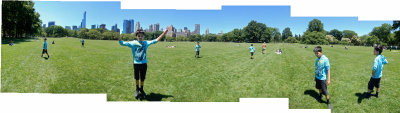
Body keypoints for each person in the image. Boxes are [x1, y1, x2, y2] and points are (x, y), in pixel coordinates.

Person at [119, 27, 170, 99]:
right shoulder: (133, 43)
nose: (140, 37)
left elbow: (156, 40)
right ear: (136, 36)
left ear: (144, 36)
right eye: (139, 36)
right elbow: (122, 43)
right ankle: (137, 89)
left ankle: (142, 89)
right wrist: (119, 38)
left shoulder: (146, 43)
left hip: (144, 64)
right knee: (137, 78)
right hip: (136, 64)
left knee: (142, 78)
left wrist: (165, 32)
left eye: (142, 36)